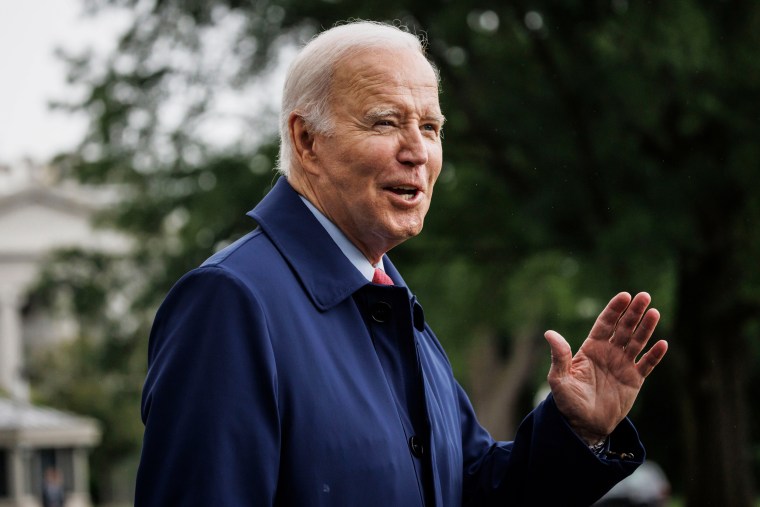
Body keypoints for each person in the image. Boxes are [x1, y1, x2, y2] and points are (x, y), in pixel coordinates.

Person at [134, 20, 668, 506]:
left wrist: (575, 431)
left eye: (431, 128)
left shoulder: (390, 302)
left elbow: (473, 489)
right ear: (307, 140)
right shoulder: (231, 303)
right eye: (386, 122)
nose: (417, 151)